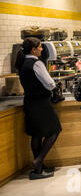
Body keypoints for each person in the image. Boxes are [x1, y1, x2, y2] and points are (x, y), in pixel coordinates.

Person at [15, 37, 61, 180]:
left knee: (36, 134)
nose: (42, 49)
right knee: (55, 130)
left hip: (29, 102)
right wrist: (55, 85)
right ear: (33, 49)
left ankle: (39, 169)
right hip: (41, 102)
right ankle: (39, 159)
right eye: (40, 47)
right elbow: (50, 84)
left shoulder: (23, 63)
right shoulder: (36, 63)